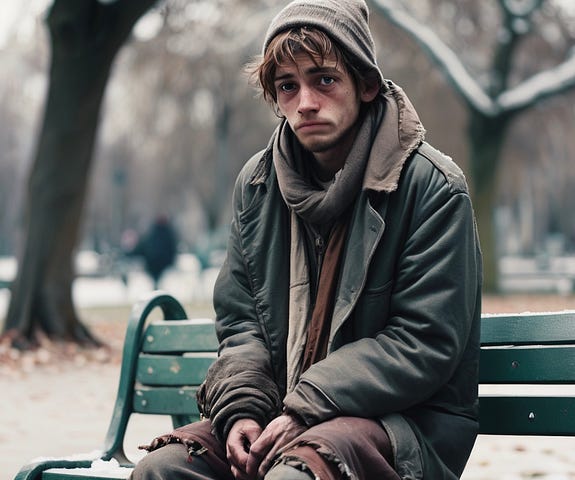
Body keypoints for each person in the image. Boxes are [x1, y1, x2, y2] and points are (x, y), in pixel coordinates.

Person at [131, 0, 482, 478]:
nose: (306, 102)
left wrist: (308, 405)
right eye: (287, 87)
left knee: (295, 474)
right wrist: (243, 410)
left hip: (400, 425)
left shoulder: (432, 186)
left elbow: (423, 341)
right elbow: (242, 323)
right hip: (281, 411)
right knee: (165, 469)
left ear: (365, 83)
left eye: (324, 80)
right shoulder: (257, 185)